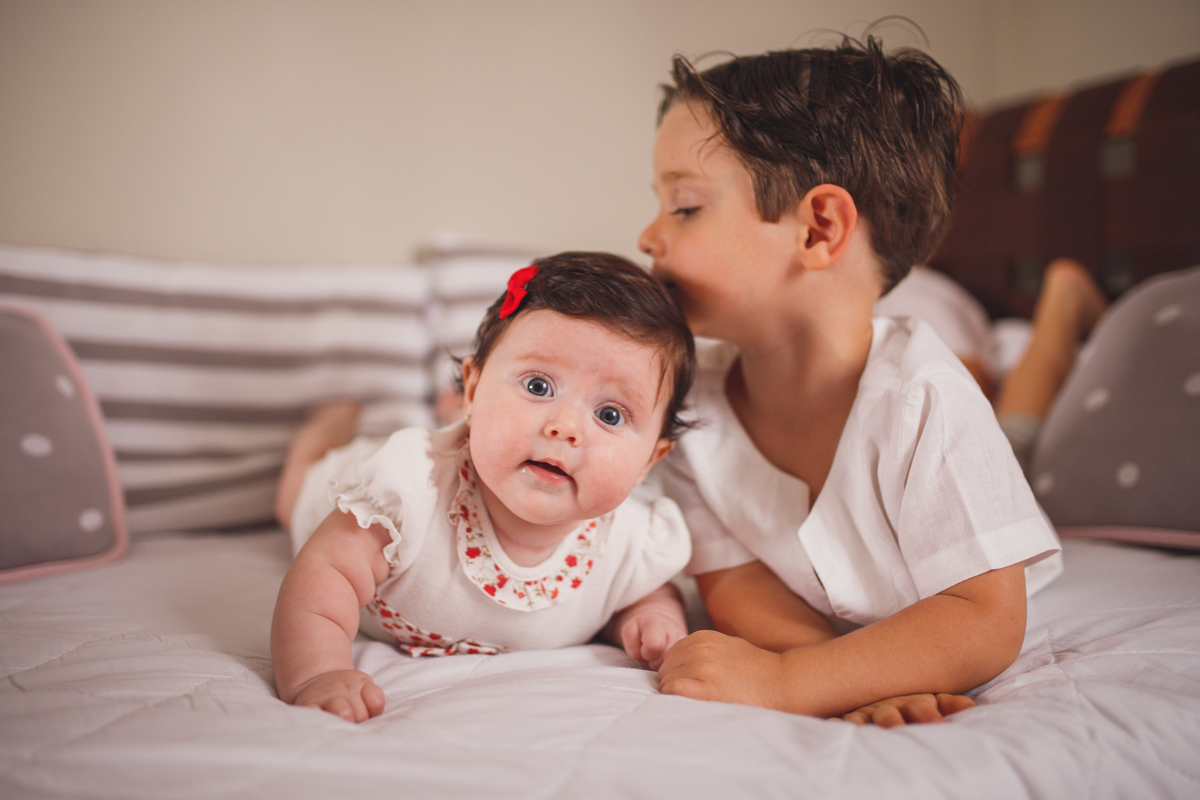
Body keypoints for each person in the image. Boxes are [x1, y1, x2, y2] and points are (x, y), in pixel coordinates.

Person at [638, 36, 1063, 726]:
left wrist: (789, 681)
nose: (647, 236)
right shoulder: (691, 403)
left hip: (977, 456)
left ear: (819, 229)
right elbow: (734, 579)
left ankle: (1062, 312)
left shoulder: (923, 397)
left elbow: (984, 617)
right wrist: (846, 674)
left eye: (684, 206)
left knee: (1025, 436)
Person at [270, 252, 696, 723]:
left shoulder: (631, 539)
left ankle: (459, 416)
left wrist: (653, 619)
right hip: (345, 483)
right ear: (475, 387)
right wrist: (317, 672)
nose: (566, 427)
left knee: (492, 438)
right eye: (538, 386)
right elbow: (325, 571)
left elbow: (643, 590)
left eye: (610, 414)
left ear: (650, 460)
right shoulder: (408, 492)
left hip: (477, 437)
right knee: (295, 498)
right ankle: (323, 433)